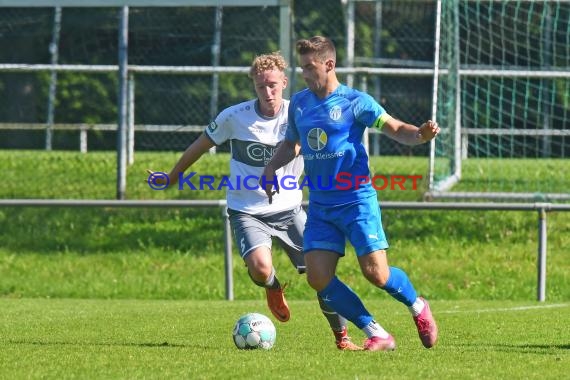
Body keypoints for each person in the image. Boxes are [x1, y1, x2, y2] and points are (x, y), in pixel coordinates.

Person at [147, 52, 360, 350]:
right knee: (260, 268)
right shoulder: (234, 117)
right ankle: (272, 287)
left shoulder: (300, 111)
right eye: (262, 87)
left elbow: (326, 143)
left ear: (284, 82)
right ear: (254, 87)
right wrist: (172, 176)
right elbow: (199, 145)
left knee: (321, 277)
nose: (268, 92)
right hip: (247, 211)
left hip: (290, 210)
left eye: (273, 85)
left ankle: (343, 338)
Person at [261, 36, 440, 351]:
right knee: (317, 277)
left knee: (377, 274)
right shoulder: (300, 104)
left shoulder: (357, 101)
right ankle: (377, 333)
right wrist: (270, 169)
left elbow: (395, 128)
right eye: (302, 68)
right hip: (321, 206)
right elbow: (291, 145)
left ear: (329, 65)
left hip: (357, 200)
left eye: (309, 67)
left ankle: (417, 306)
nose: (304, 74)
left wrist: (420, 135)